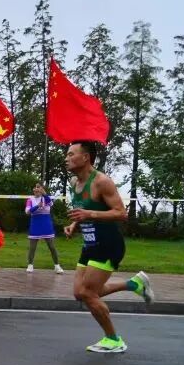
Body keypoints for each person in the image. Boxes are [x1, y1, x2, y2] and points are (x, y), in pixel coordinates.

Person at [65, 141, 154, 353]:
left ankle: (113, 339)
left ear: (85, 157)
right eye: (66, 155)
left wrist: (90, 214)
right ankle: (133, 284)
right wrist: (74, 225)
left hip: (108, 244)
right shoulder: (74, 182)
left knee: (88, 293)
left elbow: (121, 213)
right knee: (79, 293)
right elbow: (83, 210)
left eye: (71, 154)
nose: (66, 158)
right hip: (90, 243)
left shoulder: (101, 182)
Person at [26, 183, 63, 274]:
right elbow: (27, 211)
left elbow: (50, 203)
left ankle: (57, 266)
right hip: (35, 224)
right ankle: (30, 265)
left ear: (42, 189)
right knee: (32, 247)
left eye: (39, 187)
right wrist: (37, 206)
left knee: (52, 247)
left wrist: (45, 194)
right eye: (35, 187)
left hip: (46, 224)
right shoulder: (30, 199)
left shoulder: (46, 198)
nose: (36, 189)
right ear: (33, 190)